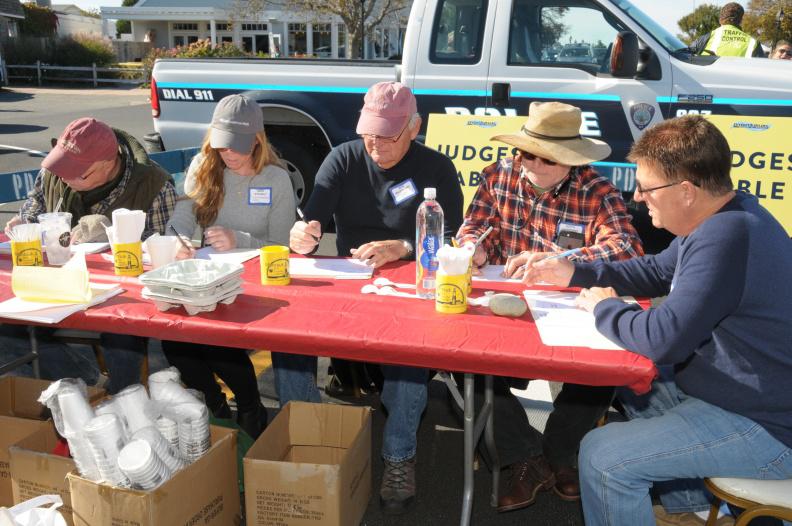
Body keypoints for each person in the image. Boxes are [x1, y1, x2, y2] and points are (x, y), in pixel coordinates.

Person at [520, 115, 792, 526]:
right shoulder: (723, 216)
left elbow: (664, 339)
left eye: (647, 188)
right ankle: (691, 509)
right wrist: (574, 272)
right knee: (630, 378)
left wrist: (603, 308)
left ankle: (680, 502)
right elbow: (654, 271)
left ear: (685, 191)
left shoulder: (726, 237)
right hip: (744, 395)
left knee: (603, 455)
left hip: (767, 428)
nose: (637, 196)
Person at [284, 81, 464, 514]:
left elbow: (456, 236)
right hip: (352, 280)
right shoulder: (344, 157)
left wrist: (402, 246)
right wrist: (303, 235)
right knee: (288, 339)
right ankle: (311, 437)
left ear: (414, 127)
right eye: (368, 133)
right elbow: (313, 218)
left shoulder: (437, 168)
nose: (375, 145)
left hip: (412, 282)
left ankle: (398, 456)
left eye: (387, 136)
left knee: (408, 358)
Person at [455, 101, 643, 511]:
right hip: (505, 304)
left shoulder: (597, 191)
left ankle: (555, 451)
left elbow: (628, 249)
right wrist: (474, 247)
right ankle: (528, 454)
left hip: (568, 311)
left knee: (602, 367)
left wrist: (565, 263)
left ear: (571, 160)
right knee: (460, 354)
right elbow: (473, 225)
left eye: (547, 158)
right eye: (526, 154)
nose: (533, 165)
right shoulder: (497, 175)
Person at [1, 117, 177, 394]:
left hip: (120, 290)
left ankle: (125, 397)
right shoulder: (56, 171)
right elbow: (33, 211)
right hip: (55, 283)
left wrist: (110, 235)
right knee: (6, 332)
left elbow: (159, 251)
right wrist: (23, 225)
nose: (67, 179)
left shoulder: (154, 185)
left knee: (122, 331)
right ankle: (90, 383)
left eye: (79, 173)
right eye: (63, 170)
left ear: (109, 163)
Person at [161, 94, 294, 439]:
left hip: (254, 283)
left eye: (237, 147)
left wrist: (242, 240)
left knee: (217, 342)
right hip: (206, 277)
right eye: (222, 147)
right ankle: (215, 403)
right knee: (174, 343)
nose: (229, 154)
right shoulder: (204, 167)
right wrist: (179, 239)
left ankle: (249, 406)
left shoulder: (276, 180)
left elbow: (284, 247)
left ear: (257, 140)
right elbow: (181, 215)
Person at [689, 2, 765, 58]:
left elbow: (685, 56)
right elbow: (762, 69)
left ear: (720, 19)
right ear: (741, 20)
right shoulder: (753, 43)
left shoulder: (707, 38)